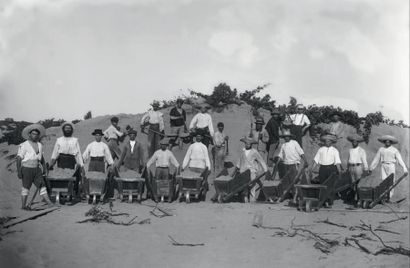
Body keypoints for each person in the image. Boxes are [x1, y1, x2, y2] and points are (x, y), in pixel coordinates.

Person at [16, 124, 53, 209]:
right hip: (26, 169)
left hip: (37, 169)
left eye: (36, 134)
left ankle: (49, 203)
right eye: (33, 134)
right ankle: (23, 205)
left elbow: (42, 158)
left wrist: (44, 168)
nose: (35, 136)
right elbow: (18, 159)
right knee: (26, 187)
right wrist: (19, 171)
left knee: (42, 186)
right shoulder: (24, 145)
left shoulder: (39, 145)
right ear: (29, 134)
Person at [49, 122, 84, 198]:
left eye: (69, 128)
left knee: (71, 178)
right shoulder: (59, 140)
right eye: (66, 128)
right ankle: (61, 194)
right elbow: (55, 153)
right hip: (61, 160)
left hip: (71, 160)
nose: (67, 129)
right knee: (61, 178)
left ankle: (70, 194)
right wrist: (52, 163)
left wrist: (81, 165)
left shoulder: (75, 140)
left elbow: (78, 154)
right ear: (63, 130)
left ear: (71, 130)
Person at [82, 129, 114, 200]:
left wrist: (111, 164)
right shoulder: (90, 145)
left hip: (100, 163)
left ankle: (100, 194)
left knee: (101, 179)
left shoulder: (104, 145)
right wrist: (82, 161)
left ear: (101, 136)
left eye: (99, 136)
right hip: (92, 163)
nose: (98, 137)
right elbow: (86, 154)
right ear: (94, 136)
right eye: (96, 135)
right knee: (91, 178)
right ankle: (90, 194)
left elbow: (108, 155)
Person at [236, 136, 268, 202]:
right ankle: (245, 200)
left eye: (248, 144)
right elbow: (239, 160)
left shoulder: (254, 152)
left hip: (251, 171)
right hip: (243, 171)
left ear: (251, 144)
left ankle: (252, 200)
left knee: (252, 186)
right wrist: (237, 168)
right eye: (246, 143)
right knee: (244, 187)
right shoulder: (243, 151)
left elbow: (260, 160)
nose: (247, 145)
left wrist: (265, 169)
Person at [346, 134, 368, 202]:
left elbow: (364, 160)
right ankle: (353, 198)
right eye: (353, 141)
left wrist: (366, 169)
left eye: (355, 142)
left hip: (358, 167)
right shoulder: (350, 150)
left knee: (358, 183)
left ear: (358, 143)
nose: (354, 143)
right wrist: (347, 168)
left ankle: (359, 198)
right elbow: (348, 159)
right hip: (351, 167)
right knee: (352, 183)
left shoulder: (361, 150)